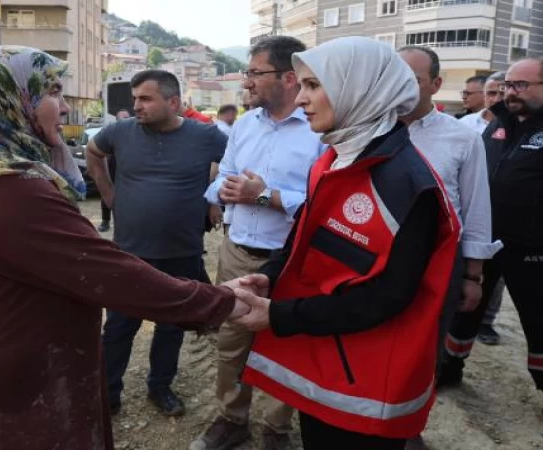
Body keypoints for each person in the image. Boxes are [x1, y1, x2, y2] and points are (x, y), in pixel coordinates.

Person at [0, 46, 250, 450]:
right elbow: (103, 273)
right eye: (53, 93)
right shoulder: (3, 190)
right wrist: (225, 303)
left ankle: (158, 385)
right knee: (121, 328)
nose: (64, 109)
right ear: (11, 97)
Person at [231, 36, 461, 450]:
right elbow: (304, 239)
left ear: (361, 87)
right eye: (301, 85)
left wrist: (281, 316)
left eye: (314, 86)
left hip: (367, 383)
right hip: (325, 363)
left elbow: (389, 296)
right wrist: (269, 278)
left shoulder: (410, 186)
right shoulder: (335, 158)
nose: (301, 99)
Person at [193, 35, 326, 450]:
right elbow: (222, 177)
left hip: (293, 258)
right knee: (232, 340)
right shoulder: (245, 124)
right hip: (237, 250)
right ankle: (232, 419)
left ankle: (277, 428)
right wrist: (224, 191)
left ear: (289, 77)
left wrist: (265, 196)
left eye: (255, 72)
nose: (247, 81)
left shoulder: (319, 127)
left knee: (287, 343)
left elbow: (325, 202)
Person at [86, 70, 229, 417]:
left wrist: (213, 200)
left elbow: (233, 163)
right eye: (135, 98)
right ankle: (108, 393)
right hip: (130, 251)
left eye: (145, 99)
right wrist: (108, 194)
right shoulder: (120, 132)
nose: (137, 105)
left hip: (183, 251)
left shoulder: (206, 135)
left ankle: (160, 386)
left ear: (173, 102)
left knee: (171, 325)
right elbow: (92, 152)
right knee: (120, 326)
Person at [396, 45, 501, 450]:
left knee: (423, 353)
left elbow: (476, 210)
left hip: (437, 265)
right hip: (375, 262)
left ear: (437, 85)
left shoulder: (461, 138)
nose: (402, 88)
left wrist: (473, 275)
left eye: (415, 80)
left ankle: (407, 428)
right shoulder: (368, 129)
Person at [440, 58, 543, 397]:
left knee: (538, 321)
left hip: (533, 249)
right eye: (508, 85)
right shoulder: (498, 123)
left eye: (520, 86)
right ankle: (449, 368)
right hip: (486, 240)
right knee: (467, 309)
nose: (510, 92)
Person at [460, 71, 508, 346]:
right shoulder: (465, 125)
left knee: (494, 277)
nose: (497, 98)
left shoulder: (519, 127)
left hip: (499, 217)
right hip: (468, 209)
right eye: (492, 93)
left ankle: (486, 323)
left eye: (502, 92)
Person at [97, 109, 130, 233]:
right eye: (121, 119)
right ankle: (105, 221)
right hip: (112, 165)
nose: (124, 121)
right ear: (116, 120)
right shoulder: (110, 132)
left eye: (127, 118)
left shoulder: (135, 133)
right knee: (107, 193)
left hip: (128, 168)